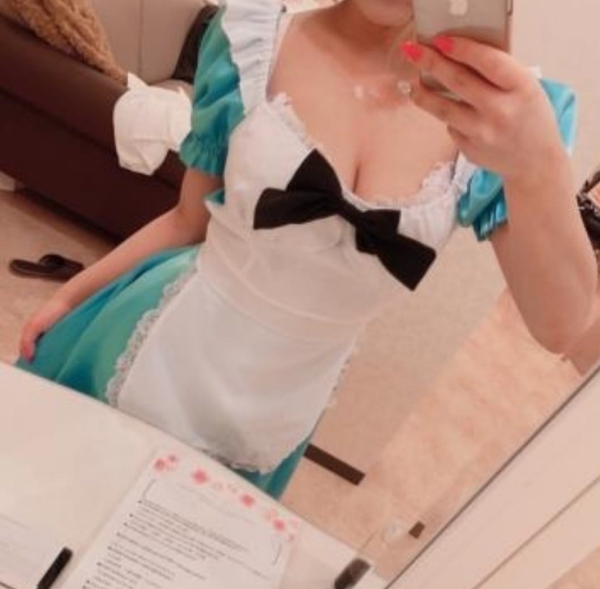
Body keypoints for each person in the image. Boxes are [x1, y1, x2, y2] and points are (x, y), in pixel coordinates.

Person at [16, 0, 598, 499]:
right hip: (150, 349)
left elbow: (566, 328)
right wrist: (71, 297)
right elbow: (187, 220)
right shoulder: (254, 39)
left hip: (272, 423)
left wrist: (539, 164)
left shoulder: (494, 122)